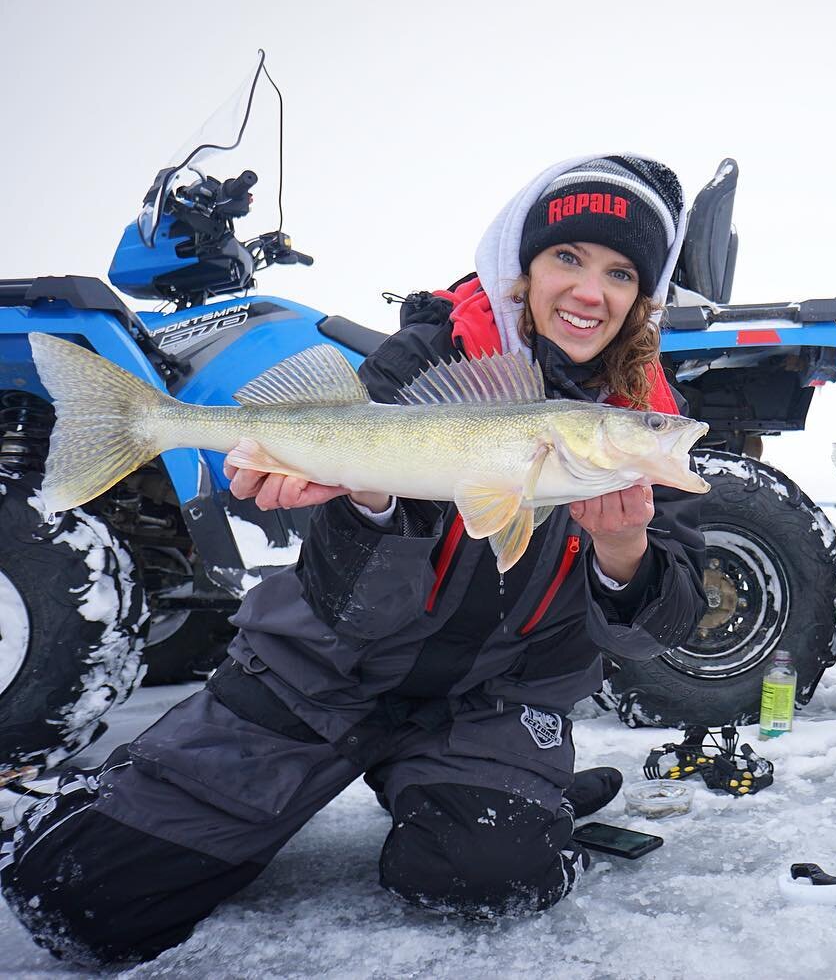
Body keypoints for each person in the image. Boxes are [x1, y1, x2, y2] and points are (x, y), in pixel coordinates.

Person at [0, 155, 709, 964]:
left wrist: (624, 551)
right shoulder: (422, 360)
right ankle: (150, 425)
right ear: (525, 268)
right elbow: (347, 600)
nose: (591, 290)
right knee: (78, 893)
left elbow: (659, 629)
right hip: (323, 673)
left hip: (490, 700)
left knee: (489, 876)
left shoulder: (653, 423)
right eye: (568, 257)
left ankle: (507, 781)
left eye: (620, 272)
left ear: (642, 299)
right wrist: (362, 501)